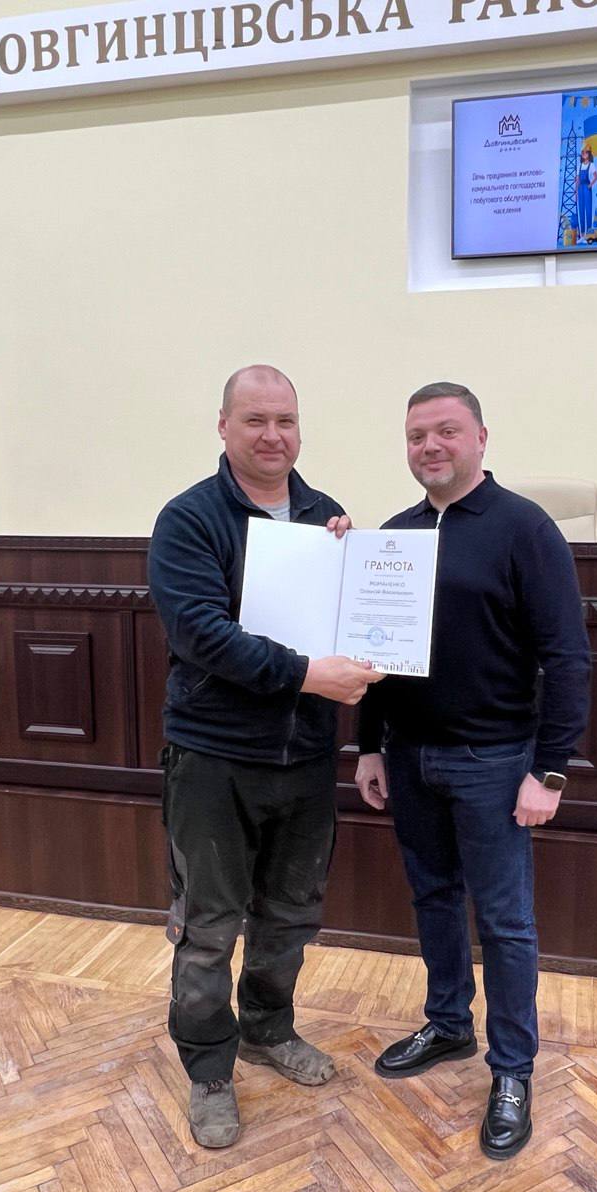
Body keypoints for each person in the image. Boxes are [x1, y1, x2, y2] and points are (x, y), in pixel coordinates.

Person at [148, 364, 383, 1149]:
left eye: (285, 419)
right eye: (255, 420)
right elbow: (201, 635)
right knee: (209, 927)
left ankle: (267, 1029)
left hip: (306, 757)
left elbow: (352, 628)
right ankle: (210, 1069)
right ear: (224, 426)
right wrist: (309, 674)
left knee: (290, 917)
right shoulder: (189, 519)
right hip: (214, 759)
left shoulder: (325, 519)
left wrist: (357, 574)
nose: (273, 435)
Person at [355, 383, 590, 1160]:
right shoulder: (395, 536)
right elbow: (372, 653)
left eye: (446, 431)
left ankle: (513, 1069)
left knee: (505, 921)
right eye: (416, 434)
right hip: (410, 757)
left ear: (480, 438)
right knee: (432, 899)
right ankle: (448, 1023)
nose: (430, 446)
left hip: (495, 761)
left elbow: (568, 658)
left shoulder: (525, 529)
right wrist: (368, 745)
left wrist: (549, 772)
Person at [575, 144, 597, 239]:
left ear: (589, 154)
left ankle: (588, 233)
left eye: (586, 152)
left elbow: (596, 176)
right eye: (583, 152)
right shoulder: (579, 166)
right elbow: (577, 180)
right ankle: (582, 234)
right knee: (581, 210)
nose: (584, 154)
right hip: (580, 189)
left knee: (588, 210)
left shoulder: (591, 165)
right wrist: (576, 192)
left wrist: (590, 185)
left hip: (587, 189)